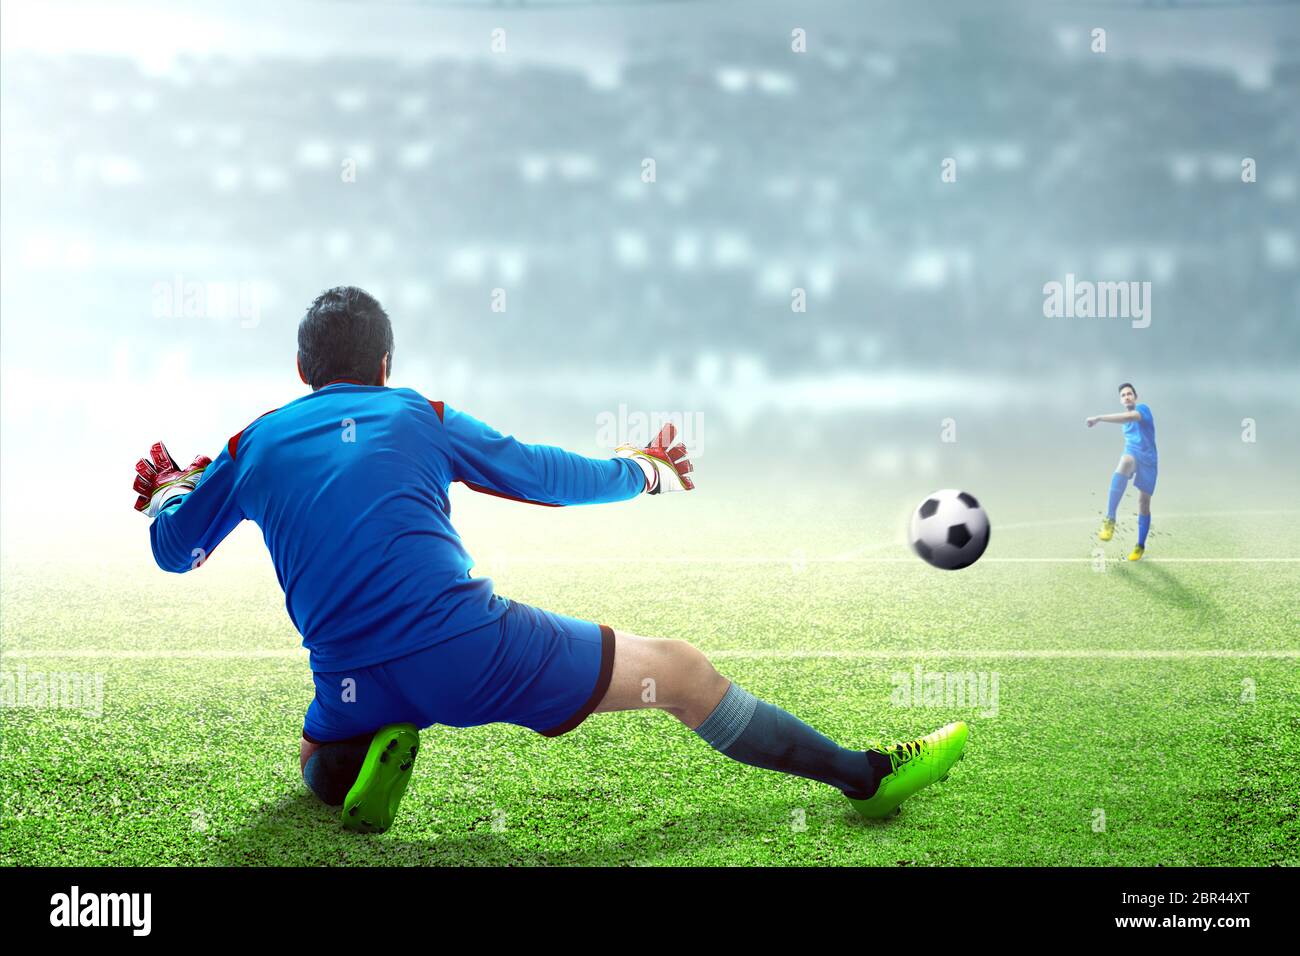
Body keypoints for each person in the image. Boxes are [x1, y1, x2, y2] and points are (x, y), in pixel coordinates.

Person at [132, 286, 967, 832]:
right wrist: (641, 473)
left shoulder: (254, 441)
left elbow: (176, 549)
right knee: (679, 672)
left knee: (317, 756)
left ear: (301, 371)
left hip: (348, 677)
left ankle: (366, 750)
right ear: (386, 366)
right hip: (472, 653)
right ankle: (866, 776)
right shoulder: (414, 413)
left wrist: (175, 490)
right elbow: (542, 477)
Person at [1087, 382, 1157, 561]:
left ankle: (1140, 545)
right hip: (1133, 455)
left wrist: (1099, 418)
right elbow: (1126, 421)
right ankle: (1110, 519)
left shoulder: (1142, 409)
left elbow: (1129, 418)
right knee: (1125, 461)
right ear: (1120, 400)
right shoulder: (1124, 422)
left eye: (1129, 394)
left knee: (1144, 503)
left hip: (1148, 461)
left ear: (1135, 396)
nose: (1127, 397)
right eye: (1123, 395)